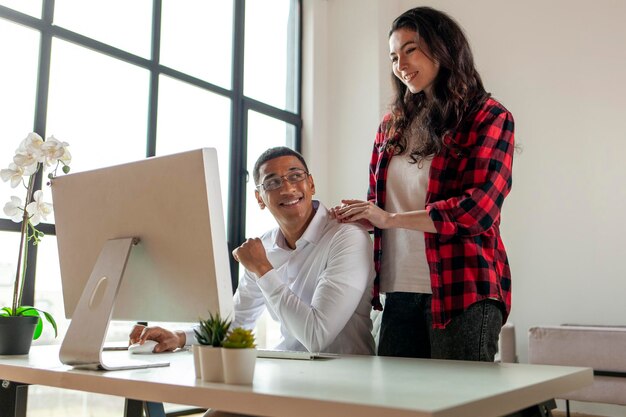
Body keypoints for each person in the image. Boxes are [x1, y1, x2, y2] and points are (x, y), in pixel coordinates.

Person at [331, 6, 514, 362]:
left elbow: (478, 210)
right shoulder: (390, 126)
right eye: (393, 56)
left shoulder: (489, 116)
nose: (400, 64)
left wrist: (389, 219)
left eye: (410, 49)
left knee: (461, 407)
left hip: (463, 290)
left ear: (443, 47)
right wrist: (355, 215)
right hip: (398, 290)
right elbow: (378, 204)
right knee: (396, 407)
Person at [130, 146, 376, 355]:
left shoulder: (348, 237)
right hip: (287, 375)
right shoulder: (263, 247)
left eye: (295, 176)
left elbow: (317, 336)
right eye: (273, 182)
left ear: (310, 183)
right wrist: (179, 337)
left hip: (344, 382)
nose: (287, 188)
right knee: (216, 412)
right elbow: (237, 324)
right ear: (260, 198)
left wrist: (263, 269)